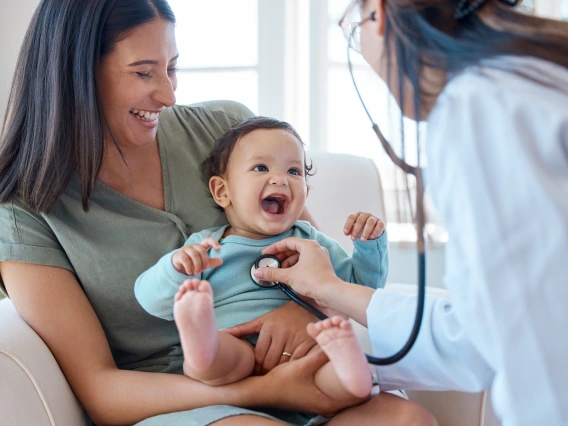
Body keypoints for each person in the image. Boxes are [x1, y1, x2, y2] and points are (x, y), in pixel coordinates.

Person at [0, 0, 438, 425]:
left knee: (407, 419)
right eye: (144, 72)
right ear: (76, 74)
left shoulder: (225, 128)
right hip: (179, 402)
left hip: (301, 366)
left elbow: (307, 256)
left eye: (171, 67)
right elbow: (101, 391)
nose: (168, 95)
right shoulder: (23, 212)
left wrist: (301, 313)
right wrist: (262, 391)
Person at [251, 1, 568, 425]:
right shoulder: (533, 76)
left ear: (378, 14)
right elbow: (489, 330)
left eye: (353, 27)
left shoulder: (480, 108)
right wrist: (328, 290)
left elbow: (527, 351)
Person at [134, 116, 388, 401]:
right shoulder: (208, 247)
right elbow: (150, 300)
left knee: (333, 377)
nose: (280, 178)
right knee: (215, 360)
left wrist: (368, 245)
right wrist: (176, 268)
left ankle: (351, 369)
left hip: (307, 350)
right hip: (235, 343)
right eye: (260, 167)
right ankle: (201, 340)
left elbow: (360, 289)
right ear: (222, 191)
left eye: (294, 171)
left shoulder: (311, 242)